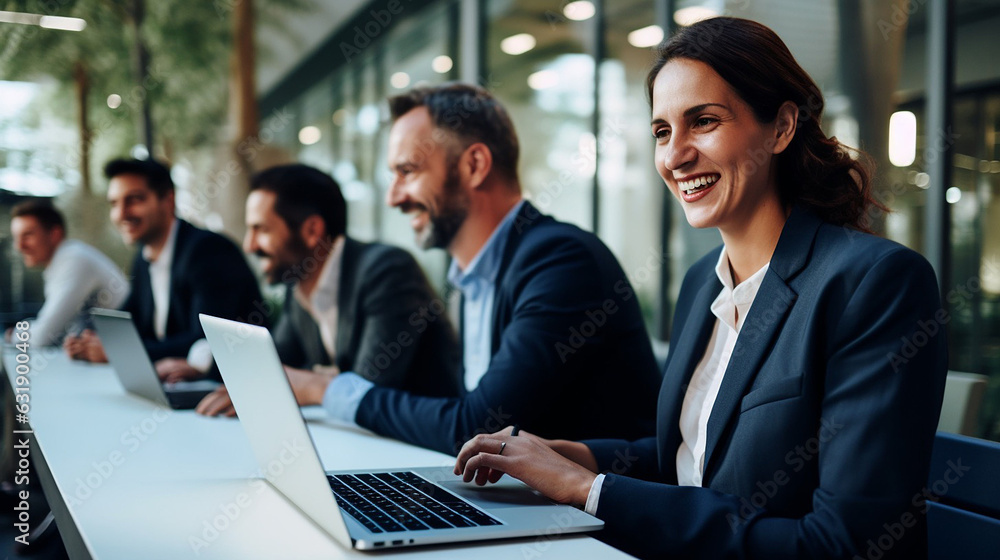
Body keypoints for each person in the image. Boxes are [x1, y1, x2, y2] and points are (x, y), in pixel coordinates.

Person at [454, 17, 948, 560]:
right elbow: (701, 459)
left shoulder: (874, 283)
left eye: (704, 121)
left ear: (782, 128)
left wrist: (589, 490)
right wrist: (582, 458)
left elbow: (845, 546)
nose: (675, 155)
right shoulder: (701, 285)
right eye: (662, 131)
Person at [266, 84, 662, 456]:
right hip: (518, 502)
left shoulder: (560, 262)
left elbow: (479, 428)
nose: (393, 197)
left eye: (408, 171)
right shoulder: (472, 276)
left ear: (474, 165)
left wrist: (325, 388)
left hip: (594, 522)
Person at [195, 164, 462, 416]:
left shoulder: (386, 271)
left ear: (312, 230)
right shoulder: (298, 285)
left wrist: (309, 382)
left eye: (261, 229)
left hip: (426, 450)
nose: (249, 245)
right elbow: (273, 367)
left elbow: (369, 391)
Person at [64, 158, 263, 383]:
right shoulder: (143, 257)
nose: (121, 214)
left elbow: (206, 340)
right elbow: (127, 318)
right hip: (170, 383)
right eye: (114, 203)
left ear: (168, 200)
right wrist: (87, 338)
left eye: (134, 200)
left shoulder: (208, 250)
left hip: (230, 384)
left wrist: (119, 352)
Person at [8, 199, 127, 346]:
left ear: (54, 234)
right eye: (16, 237)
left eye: (27, 235)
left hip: (133, 350)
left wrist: (13, 334)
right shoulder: (63, 261)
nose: (19, 246)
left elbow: (43, 337)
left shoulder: (74, 259)